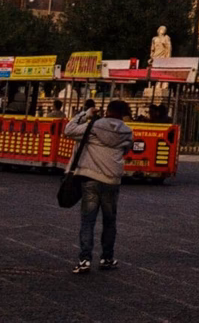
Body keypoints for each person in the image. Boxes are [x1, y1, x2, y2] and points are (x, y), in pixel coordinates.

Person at [64, 98, 134, 274]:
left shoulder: (93, 127)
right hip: (112, 181)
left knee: (88, 221)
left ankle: (85, 260)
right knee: (110, 222)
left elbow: (69, 130)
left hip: (91, 179)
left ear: (107, 110)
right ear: (122, 114)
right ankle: (107, 258)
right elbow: (126, 150)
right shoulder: (127, 132)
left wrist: (86, 113)